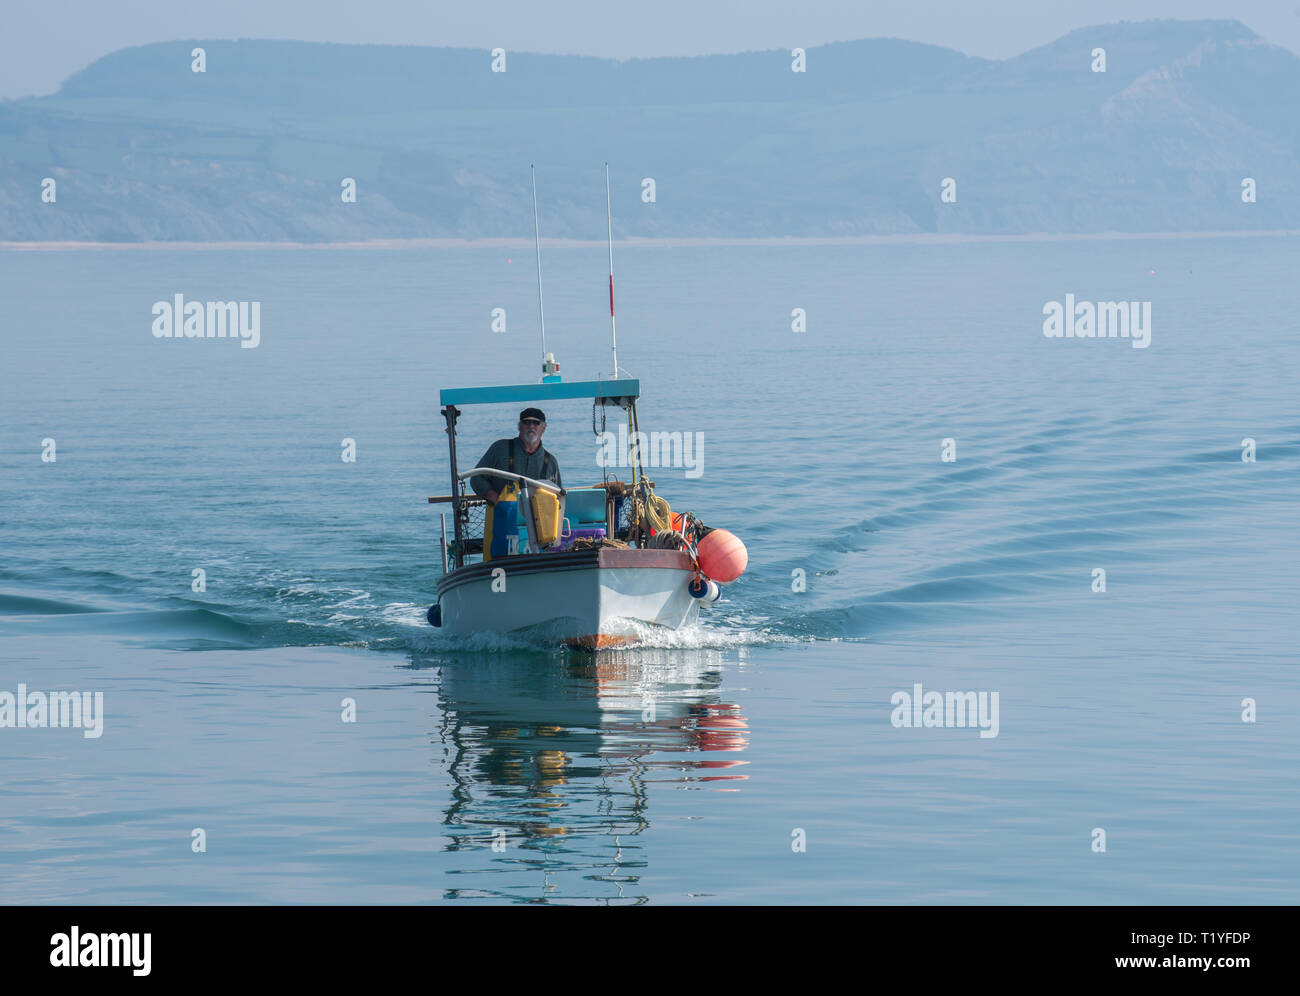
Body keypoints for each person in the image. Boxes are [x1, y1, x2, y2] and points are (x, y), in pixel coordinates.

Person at [469, 407, 562, 506]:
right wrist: (496, 499)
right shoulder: (500, 448)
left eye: (536, 423)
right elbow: (476, 478)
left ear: (543, 428)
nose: (531, 426)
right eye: (526, 422)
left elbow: (559, 497)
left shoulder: (551, 461)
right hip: (501, 518)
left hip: (539, 520)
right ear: (519, 426)